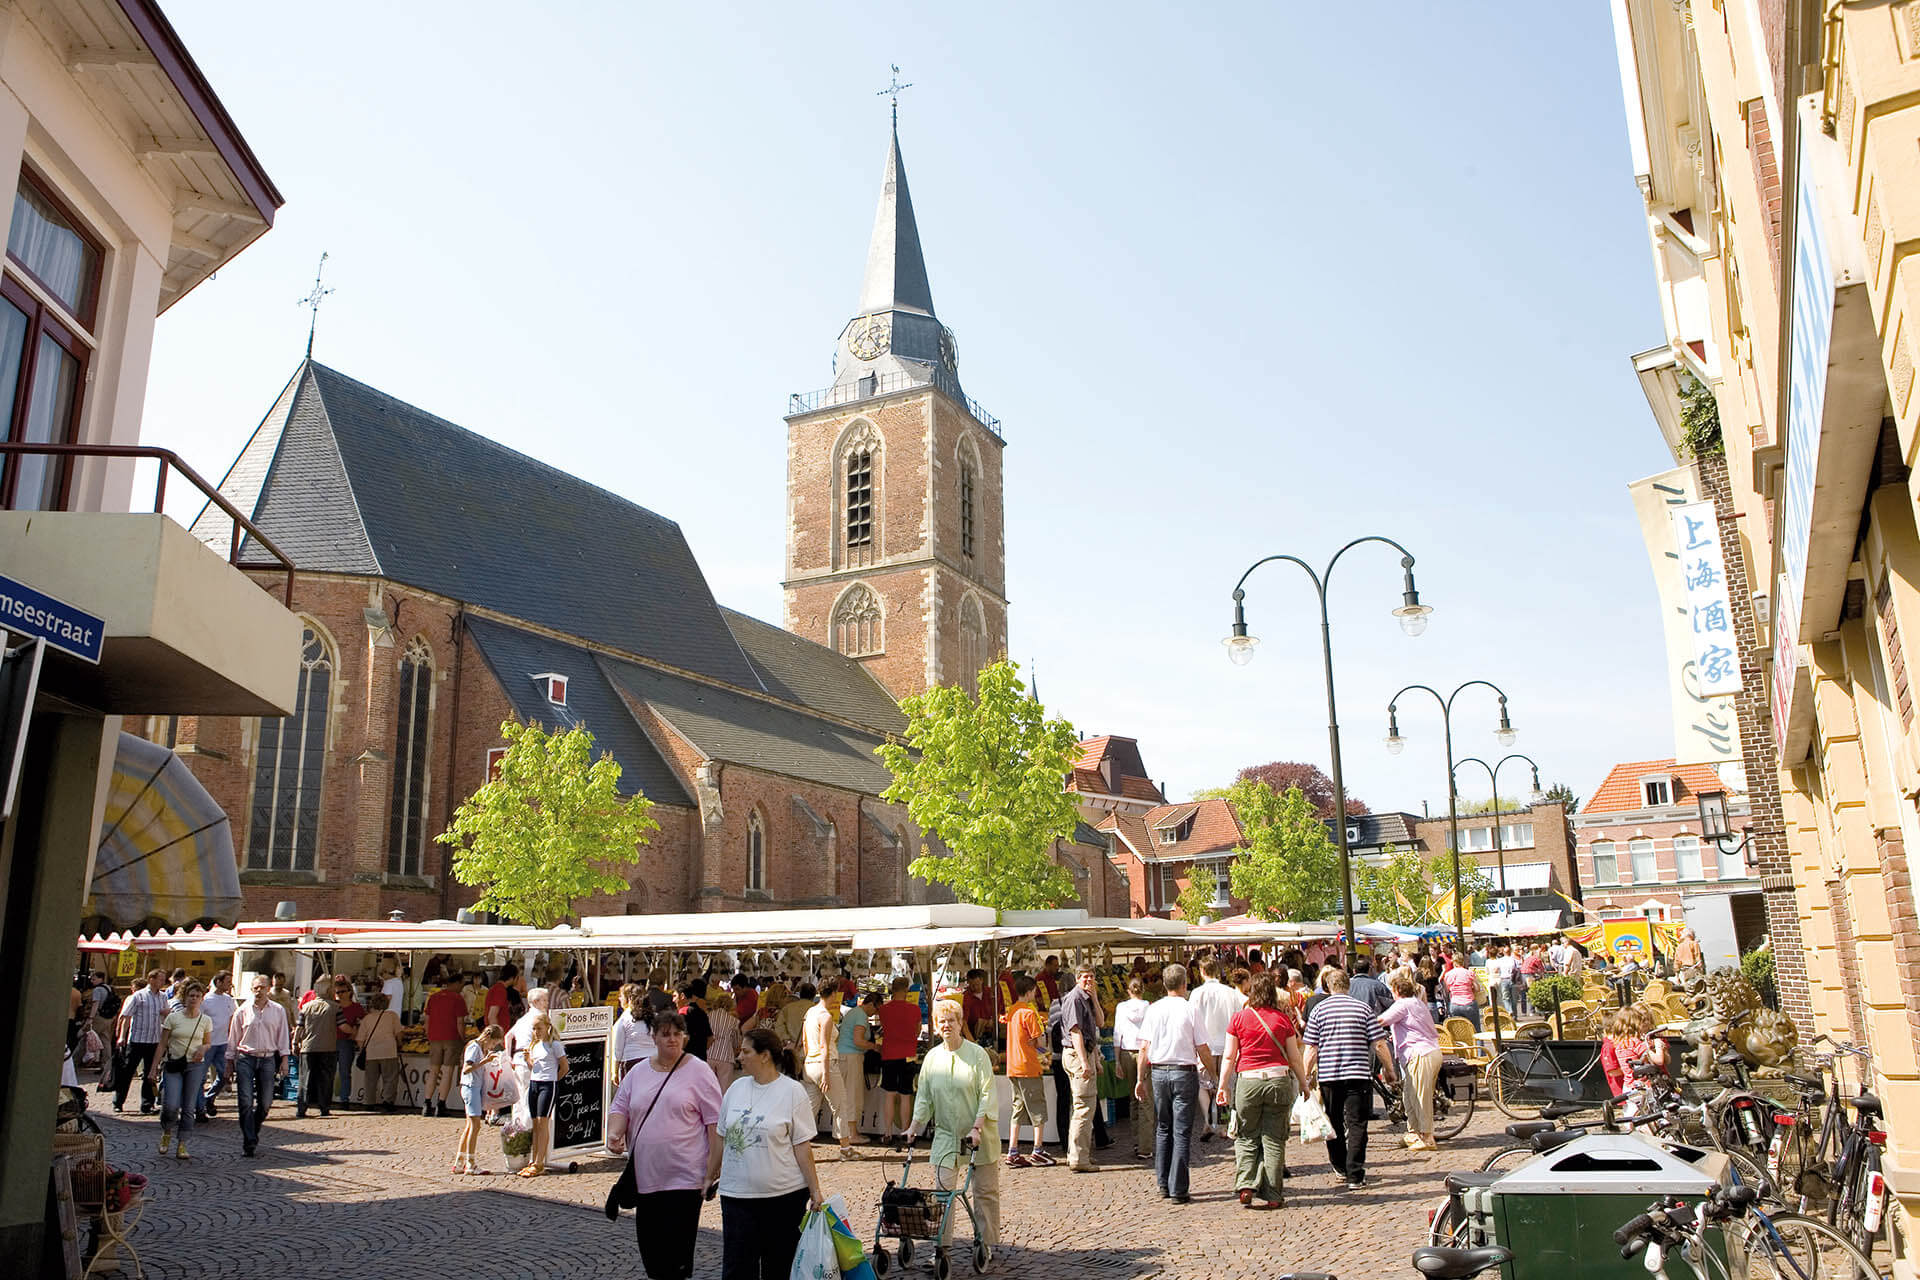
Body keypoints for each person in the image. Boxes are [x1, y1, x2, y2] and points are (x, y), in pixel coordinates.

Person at [606, 1010, 723, 1279]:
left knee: (677, 1260)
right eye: (665, 1034)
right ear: (654, 1038)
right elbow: (620, 1106)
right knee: (653, 1258)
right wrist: (615, 1133)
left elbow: (716, 1123)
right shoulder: (638, 1072)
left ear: (685, 1037)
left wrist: (711, 1171)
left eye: (677, 1034)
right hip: (646, 1177)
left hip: (685, 1178)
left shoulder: (699, 1071)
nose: (672, 1039)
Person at [709, 1027, 826, 1280]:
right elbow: (721, 1136)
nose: (740, 1056)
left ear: (765, 1056)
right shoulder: (736, 1088)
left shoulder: (793, 1092)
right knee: (737, 1269)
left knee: (778, 1268)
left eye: (745, 1051)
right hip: (736, 1195)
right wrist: (709, 1175)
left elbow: (802, 1146)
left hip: (783, 1198)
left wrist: (815, 1190)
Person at [907, 1000, 1002, 1262]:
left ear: (960, 1023)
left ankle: (985, 1243)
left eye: (952, 1020)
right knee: (942, 1193)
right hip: (947, 1135)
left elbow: (986, 1093)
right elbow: (924, 1097)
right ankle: (942, 1247)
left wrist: (977, 1126)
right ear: (936, 1027)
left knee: (984, 1191)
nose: (946, 1025)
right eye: (942, 1021)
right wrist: (914, 1126)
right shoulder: (932, 1058)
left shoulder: (977, 1055)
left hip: (979, 1135)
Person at [1215, 972, 1308, 1209]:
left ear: (1251, 992)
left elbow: (1229, 1056)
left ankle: (1246, 1183)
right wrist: (1304, 1084)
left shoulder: (1238, 1019)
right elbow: (1295, 1058)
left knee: (1246, 1135)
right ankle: (1274, 1194)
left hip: (1248, 1081)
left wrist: (1223, 1085)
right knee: (1274, 1139)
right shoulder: (1282, 1020)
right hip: (1278, 1080)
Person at [1302, 967, 1397, 1190]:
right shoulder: (1363, 1009)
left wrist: (1306, 1075)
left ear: (1329, 986)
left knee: (1333, 1122)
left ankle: (1340, 1167)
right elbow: (1379, 1044)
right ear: (1348, 986)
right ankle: (1355, 1173)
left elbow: (1311, 1048)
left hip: (1329, 1075)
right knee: (1357, 1124)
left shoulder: (1319, 1011)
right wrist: (1389, 1070)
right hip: (1358, 1074)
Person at [1134, 963, 1216, 1204]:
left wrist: (1140, 1079)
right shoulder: (1190, 1009)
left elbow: (1144, 1048)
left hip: (1159, 1072)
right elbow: (1202, 1047)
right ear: (1184, 984)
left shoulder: (1154, 1009)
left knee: (1163, 1128)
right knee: (1180, 1130)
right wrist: (1213, 1073)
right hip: (1183, 1071)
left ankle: (1163, 1183)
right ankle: (1178, 1188)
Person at [226, 973, 291, 1156]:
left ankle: (252, 1130)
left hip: (268, 1058)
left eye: (262, 987)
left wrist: (284, 1058)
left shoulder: (278, 1010)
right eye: (255, 988)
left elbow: (283, 1036)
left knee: (265, 1103)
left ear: (269, 989)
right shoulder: (242, 1011)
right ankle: (249, 1141)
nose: (258, 991)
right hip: (246, 1058)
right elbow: (233, 1038)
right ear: (251, 989)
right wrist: (229, 1063)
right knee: (245, 1101)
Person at [1380, 971, 1443, 1152]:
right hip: (1427, 1052)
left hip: (1420, 1053)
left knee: (1420, 1096)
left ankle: (1427, 1136)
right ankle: (1414, 1132)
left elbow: (1382, 1020)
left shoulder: (1403, 1004)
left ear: (1397, 990)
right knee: (1410, 1095)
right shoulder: (1417, 1002)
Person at [150, 980, 212, 1160]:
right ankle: (167, 1130)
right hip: (174, 1065)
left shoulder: (205, 1020)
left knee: (189, 1106)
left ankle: (183, 1142)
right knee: (170, 1104)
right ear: (185, 997)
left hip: (194, 1066)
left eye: (197, 996)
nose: (194, 999)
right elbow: (162, 1044)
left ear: (202, 999)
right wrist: (153, 1068)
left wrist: (204, 1048)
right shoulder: (173, 1018)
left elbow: (208, 1042)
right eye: (191, 995)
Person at [1188, 956, 1245, 1143]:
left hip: (1205, 1046)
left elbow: (1191, 1021)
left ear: (1202, 971)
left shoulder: (1196, 993)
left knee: (1203, 1086)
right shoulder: (1230, 992)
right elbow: (1238, 1017)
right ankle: (1222, 1124)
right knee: (1225, 1084)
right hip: (1227, 1044)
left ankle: (1207, 1120)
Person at [1054, 964, 1103, 1171]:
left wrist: (1095, 998)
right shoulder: (1074, 999)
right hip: (1077, 1055)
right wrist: (1084, 1062)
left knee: (1083, 1107)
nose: (1088, 981)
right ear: (1077, 979)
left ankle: (1078, 1154)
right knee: (1084, 1106)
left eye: (1091, 977)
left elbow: (1100, 1022)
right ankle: (1078, 1159)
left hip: (1086, 1053)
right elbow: (1076, 1034)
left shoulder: (1086, 998)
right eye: (1084, 977)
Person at [1003, 975, 1052, 1167]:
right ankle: (1037, 1150)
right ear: (1031, 991)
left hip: (1013, 1066)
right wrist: (1039, 1044)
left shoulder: (1012, 1010)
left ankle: (1012, 1151)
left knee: (1018, 1108)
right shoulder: (1029, 1013)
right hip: (1028, 1066)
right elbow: (1039, 1041)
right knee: (1037, 1108)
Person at [113, 968, 168, 1114]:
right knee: (127, 1072)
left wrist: (166, 1013)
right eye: (161, 979)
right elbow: (126, 1016)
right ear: (152, 979)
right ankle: (118, 1101)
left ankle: (147, 1104)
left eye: (164, 979)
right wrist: (122, 1037)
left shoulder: (163, 997)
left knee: (150, 1073)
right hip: (137, 1040)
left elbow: (166, 1014)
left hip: (154, 1040)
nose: (163, 982)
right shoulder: (138, 996)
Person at [520, 1011, 569, 1177]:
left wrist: (554, 1080)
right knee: (535, 1123)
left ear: (547, 1027)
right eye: (534, 1029)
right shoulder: (535, 1045)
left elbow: (564, 1067)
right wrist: (528, 1060)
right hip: (534, 1083)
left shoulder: (554, 1045)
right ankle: (534, 1160)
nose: (536, 1032)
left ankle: (540, 1161)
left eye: (539, 1028)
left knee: (543, 1122)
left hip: (548, 1085)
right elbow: (535, 1067)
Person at [877, 975, 921, 1148]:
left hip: (889, 1055)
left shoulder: (884, 1010)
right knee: (905, 1096)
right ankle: (906, 1132)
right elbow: (917, 1032)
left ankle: (887, 1133)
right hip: (908, 1054)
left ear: (892, 990)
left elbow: (883, 1029)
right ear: (906, 990)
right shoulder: (915, 1009)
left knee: (889, 1095)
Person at [455, 1024, 506, 1173]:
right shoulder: (474, 1047)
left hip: (472, 1087)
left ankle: (460, 1161)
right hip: (471, 1087)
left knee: (470, 1126)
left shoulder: (477, 1047)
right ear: (488, 1037)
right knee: (475, 1126)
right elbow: (467, 1068)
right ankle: (470, 1163)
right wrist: (484, 1062)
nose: (493, 1046)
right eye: (494, 1043)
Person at [1112, 974, 1152, 1161]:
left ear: (1129, 991)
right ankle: (1146, 1145)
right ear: (1142, 990)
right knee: (1146, 1100)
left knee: (1133, 1098)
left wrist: (1117, 1060)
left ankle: (1137, 1140)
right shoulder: (1149, 1007)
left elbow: (1117, 1034)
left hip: (1127, 1053)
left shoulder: (1121, 1008)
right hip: (1144, 1053)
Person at [800, 983, 842, 1155]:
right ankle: (845, 1147)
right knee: (839, 1106)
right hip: (825, 1063)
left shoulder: (810, 1012)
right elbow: (825, 1046)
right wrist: (825, 1073)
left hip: (809, 1063)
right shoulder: (825, 1016)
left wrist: (808, 1060)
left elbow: (804, 1041)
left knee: (810, 1107)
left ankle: (796, 1142)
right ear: (832, 993)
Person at [835, 990, 877, 1154]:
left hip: (843, 1056)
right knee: (853, 1095)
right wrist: (874, 1046)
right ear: (872, 1004)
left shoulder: (853, 1013)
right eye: (876, 1009)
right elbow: (858, 1041)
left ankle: (843, 1132)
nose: (876, 1013)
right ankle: (852, 1133)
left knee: (844, 1095)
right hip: (852, 1057)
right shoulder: (861, 1016)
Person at [422, 977, 468, 1116]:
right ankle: (440, 1105)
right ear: (456, 983)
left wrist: (429, 1035)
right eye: (461, 984)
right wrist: (463, 1038)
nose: (462, 987)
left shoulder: (433, 997)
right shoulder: (458, 998)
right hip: (452, 1037)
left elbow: (427, 1020)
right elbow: (460, 1022)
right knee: (447, 1072)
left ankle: (426, 1104)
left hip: (434, 1037)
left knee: (433, 1071)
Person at [295, 978, 338, 1118]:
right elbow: (344, 1026)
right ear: (327, 990)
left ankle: (302, 1108)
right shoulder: (335, 1007)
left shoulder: (306, 1007)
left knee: (305, 1078)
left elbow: (299, 1028)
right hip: (328, 1047)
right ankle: (324, 1107)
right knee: (325, 1079)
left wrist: (295, 1043)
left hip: (308, 1047)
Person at [197, 969, 236, 1122]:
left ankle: (209, 1098)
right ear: (218, 982)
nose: (229, 985)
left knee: (224, 1075)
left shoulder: (229, 999)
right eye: (227, 982)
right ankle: (199, 1108)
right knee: (200, 1078)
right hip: (208, 1044)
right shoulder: (206, 1000)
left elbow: (233, 1018)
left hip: (223, 1043)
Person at [356, 993, 403, 1112]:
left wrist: (363, 1050)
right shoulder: (392, 1016)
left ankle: (368, 1102)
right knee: (390, 1078)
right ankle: (388, 1101)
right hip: (389, 1050)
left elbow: (360, 1039)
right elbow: (399, 1033)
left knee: (370, 1079)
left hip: (371, 1052)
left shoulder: (367, 1018)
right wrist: (400, 1043)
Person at [613, 983, 656, 1085]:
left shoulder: (624, 1019)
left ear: (629, 999)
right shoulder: (655, 1016)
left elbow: (618, 1049)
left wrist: (614, 1072)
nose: (619, 999)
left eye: (621, 996)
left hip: (632, 1063)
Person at [332, 978, 365, 1111]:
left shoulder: (356, 1007)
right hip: (332, 1041)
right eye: (337, 992)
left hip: (347, 1042)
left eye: (342, 991)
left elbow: (363, 1022)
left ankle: (344, 1099)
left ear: (349, 992)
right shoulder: (334, 1005)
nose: (340, 994)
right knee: (330, 1071)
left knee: (345, 1071)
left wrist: (355, 1031)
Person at [707, 990, 741, 1090]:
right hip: (726, 1056)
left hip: (709, 1054)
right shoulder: (734, 1021)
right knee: (724, 1089)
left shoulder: (708, 1016)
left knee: (708, 1087)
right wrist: (735, 1049)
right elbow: (736, 1041)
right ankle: (722, 1105)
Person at [1441, 955, 1482, 1031]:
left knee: (1459, 1031)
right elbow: (1477, 989)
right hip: (1469, 1002)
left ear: (1453, 962)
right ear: (1463, 961)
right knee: (1475, 1029)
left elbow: (1448, 990)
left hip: (1455, 1004)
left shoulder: (1448, 975)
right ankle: (1477, 1043)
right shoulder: (1469, 973)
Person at [680, 978, 713, 1063]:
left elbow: (685, 1037)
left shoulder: (683, 1011)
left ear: (683, 995)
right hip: (701, 1057)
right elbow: (711, 1038)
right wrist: (701, 1049)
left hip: (686, 1057)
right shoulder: (702, 1013)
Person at [774, 981, 814, 1053]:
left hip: (791, 1050)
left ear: (800, 994)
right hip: (811, 1050)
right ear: (813, 996)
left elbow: (779, 1027)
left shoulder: (787, 1008)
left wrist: (787, 1041)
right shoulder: (818, 1009)